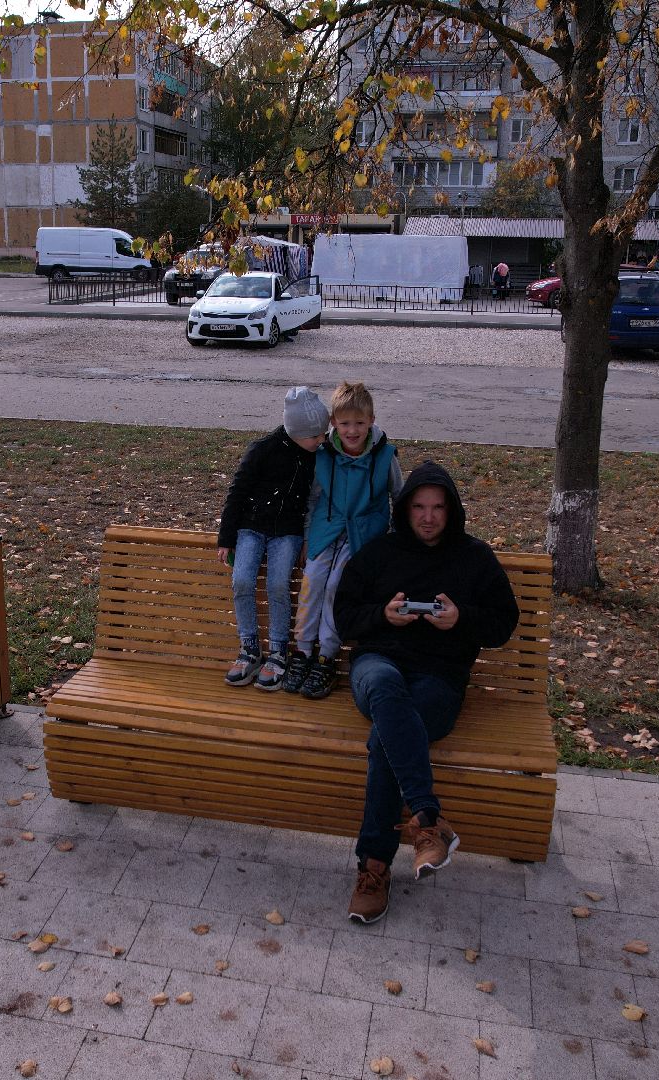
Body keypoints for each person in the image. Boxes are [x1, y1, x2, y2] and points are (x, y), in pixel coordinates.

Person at [332, 460, 520, 924]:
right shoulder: (379, 553)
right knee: (381, 685)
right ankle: (428, 820)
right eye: (419, 506)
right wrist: (383, 616)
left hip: (439, 678)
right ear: (405, 508)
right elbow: (344, 617)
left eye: (438, 507)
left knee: (385, 740)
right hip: (379, 665)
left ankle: (374, 867)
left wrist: (462, 619)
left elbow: (503, 622)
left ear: (452, 510)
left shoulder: (474, 558)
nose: (429, 516)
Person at [281, 381, 401, 701]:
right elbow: (312, 500)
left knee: (337, 585)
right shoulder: (324, 455)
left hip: (363, 535)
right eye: (345, 423)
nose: (352, 430)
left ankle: (327, 656)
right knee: (314, 579)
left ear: (371, 421)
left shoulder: (384, 455)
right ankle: (304, 651)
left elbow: (398, 497)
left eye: (359, 423)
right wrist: (308, 539)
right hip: (327, 530)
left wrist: (392, 540)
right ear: (333, 423)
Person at [217, 386, 330, 689]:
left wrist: (308, 540)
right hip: (250, 527)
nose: (321, 440)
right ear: (295, 431)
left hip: (288, 532)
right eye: (315, 435)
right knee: (242, 580)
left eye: (324, 434)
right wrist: (226, 538)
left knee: (278, 584)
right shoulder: (263, 449)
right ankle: (249, 648)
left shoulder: (318, 456)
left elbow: (316, 503)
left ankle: (279, 650)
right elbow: (237, 491)